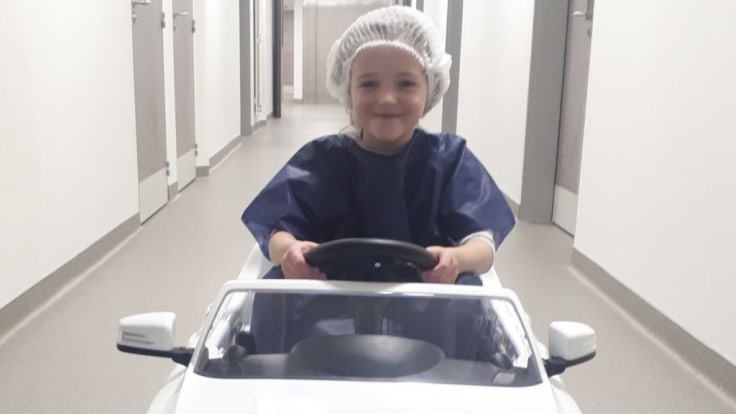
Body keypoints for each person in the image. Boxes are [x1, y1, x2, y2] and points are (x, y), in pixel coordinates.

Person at [242, 5, 514, 286]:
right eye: (369, 84)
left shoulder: (449, 160)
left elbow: (483, 246)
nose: (386, 98)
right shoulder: (322, 161)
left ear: (430, 88)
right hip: (327, 299)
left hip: (429, 302)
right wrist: (290, 252)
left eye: (405, 84)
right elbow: (277, 232)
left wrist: (457, 259)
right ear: (348, 90)